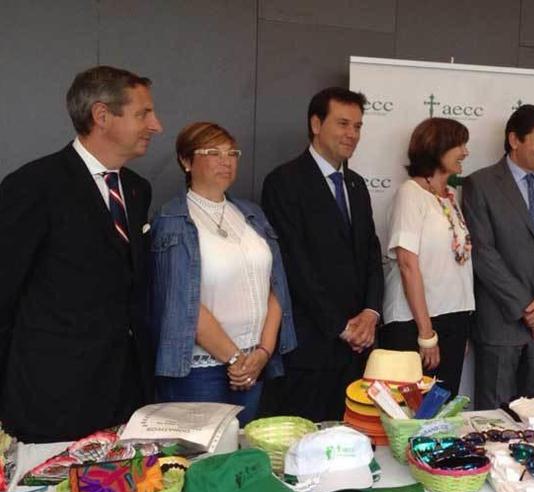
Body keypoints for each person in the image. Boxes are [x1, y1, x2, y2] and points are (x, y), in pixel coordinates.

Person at [0, 66, 162, 442]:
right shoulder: (33, 187)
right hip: (53, 399)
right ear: (102, 116)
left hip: (127, 394)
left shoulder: (137, 190)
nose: (156, 125)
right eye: (143, 114)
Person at [150, 122, 296, 425]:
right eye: (213, 152)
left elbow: (276, 286)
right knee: (200, 462)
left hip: (255, 363)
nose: (226, 161)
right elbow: (181, 303)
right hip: (201, 371)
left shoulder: (250, 213)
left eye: (232, 153)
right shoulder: (173, 219)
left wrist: (263, 353)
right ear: (186, 161)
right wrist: (236, 360)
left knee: (238, 457)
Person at [260, 87, 383, 422]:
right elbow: (292, 264)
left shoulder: (356, 185)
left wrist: (370, 314)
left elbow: (371, 253)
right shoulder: (284, 181)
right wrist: (340, 326)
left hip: (357, 350)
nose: (352, 134)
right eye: (343, 123)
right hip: (311, 348)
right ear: (316, 124)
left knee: (352, 446)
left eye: (357, 126)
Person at [462, 104, 534, 410]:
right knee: (493, 421)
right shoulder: (480, 183)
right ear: (515, 140)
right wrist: (526, 308)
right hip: (502, 323)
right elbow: (483, 252)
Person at [380, 118, 475, 396]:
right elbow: (408, 265)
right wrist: (426, 334)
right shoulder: (410, 194)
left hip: (452, 318)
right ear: (436, 147)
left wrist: (460, 328)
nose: (466, 152)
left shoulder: (450, 196)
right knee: (413, 417)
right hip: (416, 323)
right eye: (459, 144)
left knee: (443, 415)